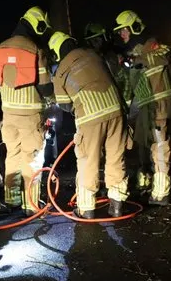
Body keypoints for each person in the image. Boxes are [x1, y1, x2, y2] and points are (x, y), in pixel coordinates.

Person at [48, 31, 129, 218]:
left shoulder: (60, 71)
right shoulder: (93, 54)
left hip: (90, 117)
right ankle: (117, 206)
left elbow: (65, 104)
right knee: (116, 157)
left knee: (88, 161)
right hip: (116, 110)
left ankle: (86, 209)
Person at [0, 6, 55, 215]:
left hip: (8, 115)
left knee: (13, 156)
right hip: (30, 116)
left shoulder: (1, 47)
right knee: (32, 158)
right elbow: (45, 87)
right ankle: (31, 204)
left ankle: (11, 200)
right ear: (38, 25)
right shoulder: (36, 49)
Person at [113, 10, 171, 205]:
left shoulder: (152, 46)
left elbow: (168, 54)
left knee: (159, 144)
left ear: (134, 27)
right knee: (143, 141)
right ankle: (147, 180)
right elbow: (129, 85)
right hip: (145, 105)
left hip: (158, 103)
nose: (121, 35)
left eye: (124, 30)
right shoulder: (132, 54)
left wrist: (138, 60)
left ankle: (161, 191)